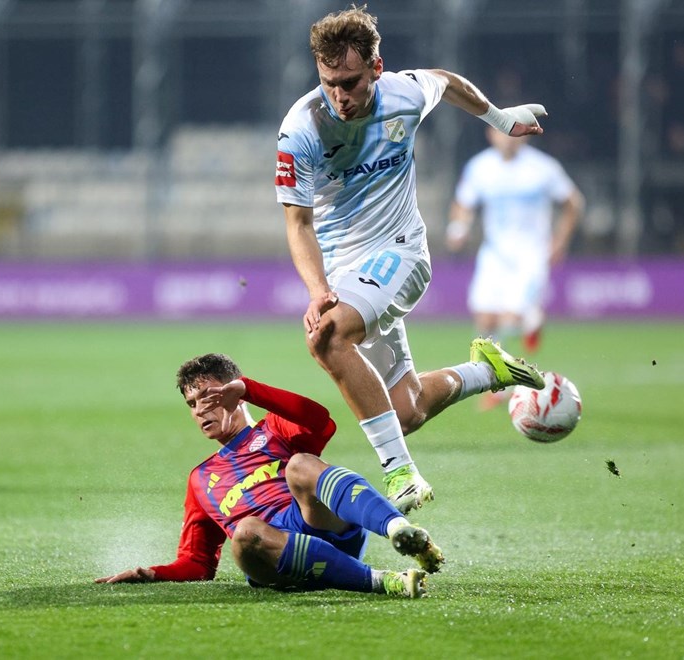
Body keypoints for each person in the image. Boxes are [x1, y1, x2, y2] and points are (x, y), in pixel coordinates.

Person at [275, 5, 546, 514]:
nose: (340, 96)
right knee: (405, 411)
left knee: (327, 336)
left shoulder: (404, 93)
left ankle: (400, 472)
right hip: (347, 272)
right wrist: (318, 289)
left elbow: (446, 81)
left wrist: (501, 118)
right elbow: (299, 224)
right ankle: (486, 371)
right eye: (329, 83)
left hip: (400, 252)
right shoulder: (301, 129)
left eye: (351, 82)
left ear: (376, 68)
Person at [95, 353, 444, 598]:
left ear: (234, 393)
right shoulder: (200, 479)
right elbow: (198, 563)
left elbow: (321, 421)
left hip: (320, 527)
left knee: (300, 464)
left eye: (208, 397)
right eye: (191, 403)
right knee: (246, 532)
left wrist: (251, 389)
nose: (200, 409)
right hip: (273, 560)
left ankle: (399, 529)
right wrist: (150, 573)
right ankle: (383, 581)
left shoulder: (273, 430)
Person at [446, 126, 584, 359]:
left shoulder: (543, 168)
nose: (508, 139)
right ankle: (500, 358)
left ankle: (524, 325)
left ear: (524, 136)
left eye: (513, 132)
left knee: (509, 319)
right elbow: (463, 203)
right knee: (485, 320)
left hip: (530, 255)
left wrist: (560, 241)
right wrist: (458, 228)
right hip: (494, 253)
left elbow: (573, 203)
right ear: (491, 134)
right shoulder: (480, 167)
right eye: (502, 131)